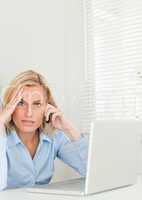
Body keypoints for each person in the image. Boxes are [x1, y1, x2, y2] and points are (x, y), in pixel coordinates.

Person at [0, 70, 88, 190]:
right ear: (9, 106)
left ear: (47, 107)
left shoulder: (54, 137)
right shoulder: (3, 137)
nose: (29, 113)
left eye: (37, 104)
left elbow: (92, 171)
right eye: (21, 103)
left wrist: (69, 129)